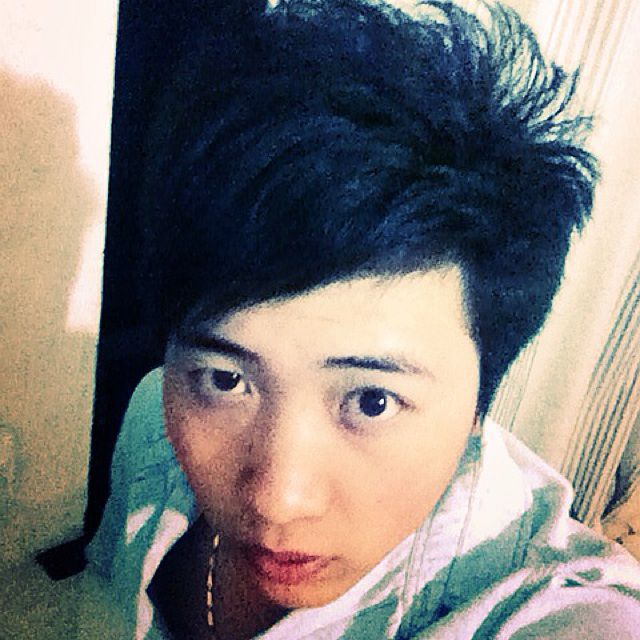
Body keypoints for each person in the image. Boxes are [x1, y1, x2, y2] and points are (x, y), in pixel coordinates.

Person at [85, 0, 640, 638]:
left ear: (479, 405)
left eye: (372, 401)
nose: (278, 501)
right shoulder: (152, 417)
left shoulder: (563, 614)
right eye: (226, 380)